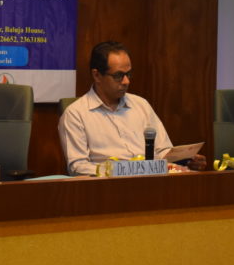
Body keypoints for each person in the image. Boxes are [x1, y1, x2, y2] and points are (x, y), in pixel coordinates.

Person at [58, 41, 206, 176]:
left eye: (128, 74)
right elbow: (77, 167)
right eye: (118, 75)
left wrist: (184, 160)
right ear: (97, 75)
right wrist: (120, 170)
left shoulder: (141, 105)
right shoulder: (75, 114)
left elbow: (162, 151)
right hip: (107, 187)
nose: (126, 81)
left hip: (153, 183)